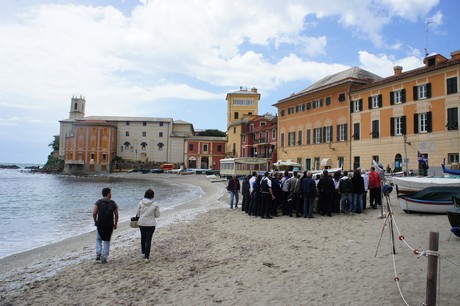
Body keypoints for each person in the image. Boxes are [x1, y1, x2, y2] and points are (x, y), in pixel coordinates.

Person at [93, 187, 119, 263]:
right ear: (108, 194)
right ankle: (104, 257)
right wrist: (115, 224)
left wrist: (95, 221)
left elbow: (94, 213)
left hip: (100, 223)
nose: (111, 194)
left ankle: (98, 253)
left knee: (98, 239)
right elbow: (116, 214)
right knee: (107, 240)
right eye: (110, 193)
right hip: (109, 224)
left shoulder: (98, 202)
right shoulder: (113, 203)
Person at [135, 188, 160, 263]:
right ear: (152, 195)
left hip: (142, 223)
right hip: (151, 224)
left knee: (143, 237)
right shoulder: (155, 204)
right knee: (148, 240)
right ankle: (147, 257)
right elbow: (157, 215)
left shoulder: (140, 203)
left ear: (145, 195)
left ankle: (143, 252)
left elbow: (137, 213)